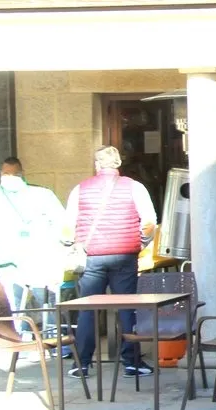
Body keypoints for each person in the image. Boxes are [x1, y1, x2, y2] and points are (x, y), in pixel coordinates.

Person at [65, 146, 157, 378]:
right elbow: (149, 222)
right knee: (127, 307)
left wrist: (73, 245)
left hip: (92, 256)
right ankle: (131, 362)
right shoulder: (135, 187)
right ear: (118, 164)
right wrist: (140, 244)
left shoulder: (80, 189)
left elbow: (68, 226)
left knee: (88, 309)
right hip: (124, 255)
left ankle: (82, 363)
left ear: (97, 164)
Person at [0, 157, 70, 346]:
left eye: (14, 174)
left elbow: (62, 226)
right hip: (12, 258)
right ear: (0, 174)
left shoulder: (41, 194)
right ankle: (30, 340)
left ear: (22, 174)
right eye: (7, 173)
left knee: (43, 301)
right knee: (23, 302)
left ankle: (42, 340)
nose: (11, 177)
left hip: (34, 258)